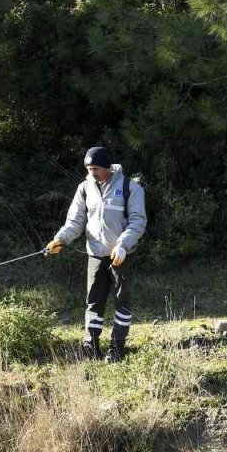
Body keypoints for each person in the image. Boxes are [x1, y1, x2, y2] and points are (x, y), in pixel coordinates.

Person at [45, 146, 147, 363]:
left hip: (122, 255)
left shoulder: (130, 187)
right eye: (89, 169)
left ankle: (117, 348)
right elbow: (75, 221)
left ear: (107, 167)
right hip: (96, 254)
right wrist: (60, 239)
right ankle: (90, 348)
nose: (92, 173)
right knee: (93, 302)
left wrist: (122, 245)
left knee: (122, 301)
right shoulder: (84, 188)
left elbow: (138, 221)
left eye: (96, 168)